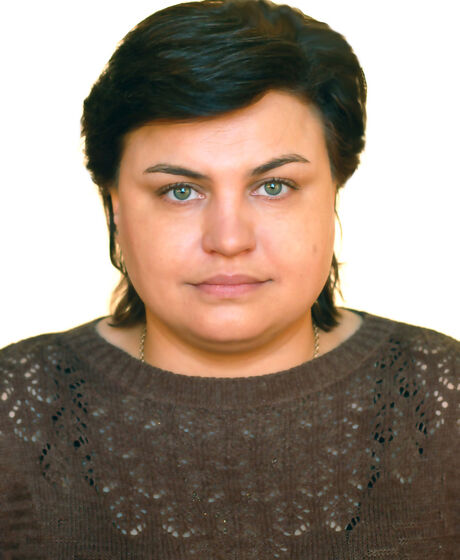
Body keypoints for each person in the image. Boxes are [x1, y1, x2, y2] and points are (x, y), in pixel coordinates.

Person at [0, 0, 457, 557]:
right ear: (115, 204)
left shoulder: (443, 400)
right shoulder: (14, 410)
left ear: (334, 190)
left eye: (274, 187)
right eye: (180, 191)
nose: (229, 238)